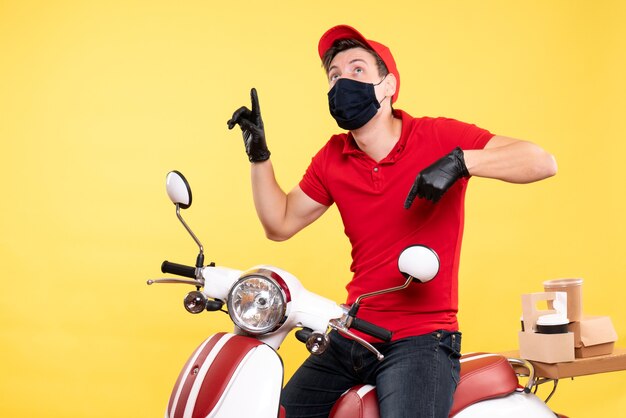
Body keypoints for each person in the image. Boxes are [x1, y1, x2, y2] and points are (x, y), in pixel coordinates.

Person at [227, 24, 557, 418]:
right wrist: (258, 156)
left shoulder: (437, 136)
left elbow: (541, 161)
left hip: (422, 339)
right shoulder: (334, 157)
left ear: (388, 85)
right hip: (353, 334)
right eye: (333, 76)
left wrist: (461, 161)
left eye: (357, 70)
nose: (341, 82)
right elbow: (279, 224)